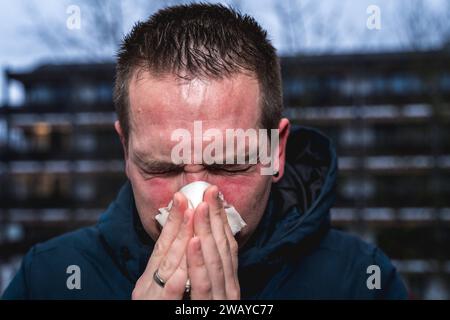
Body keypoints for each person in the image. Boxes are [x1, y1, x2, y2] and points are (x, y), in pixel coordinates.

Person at [2, 3, 408, 300]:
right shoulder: (49, 280)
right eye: (161, 167)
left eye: (229, 165)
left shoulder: (360, 282)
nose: (195, 200)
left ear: (276, 151)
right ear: (126, 152)